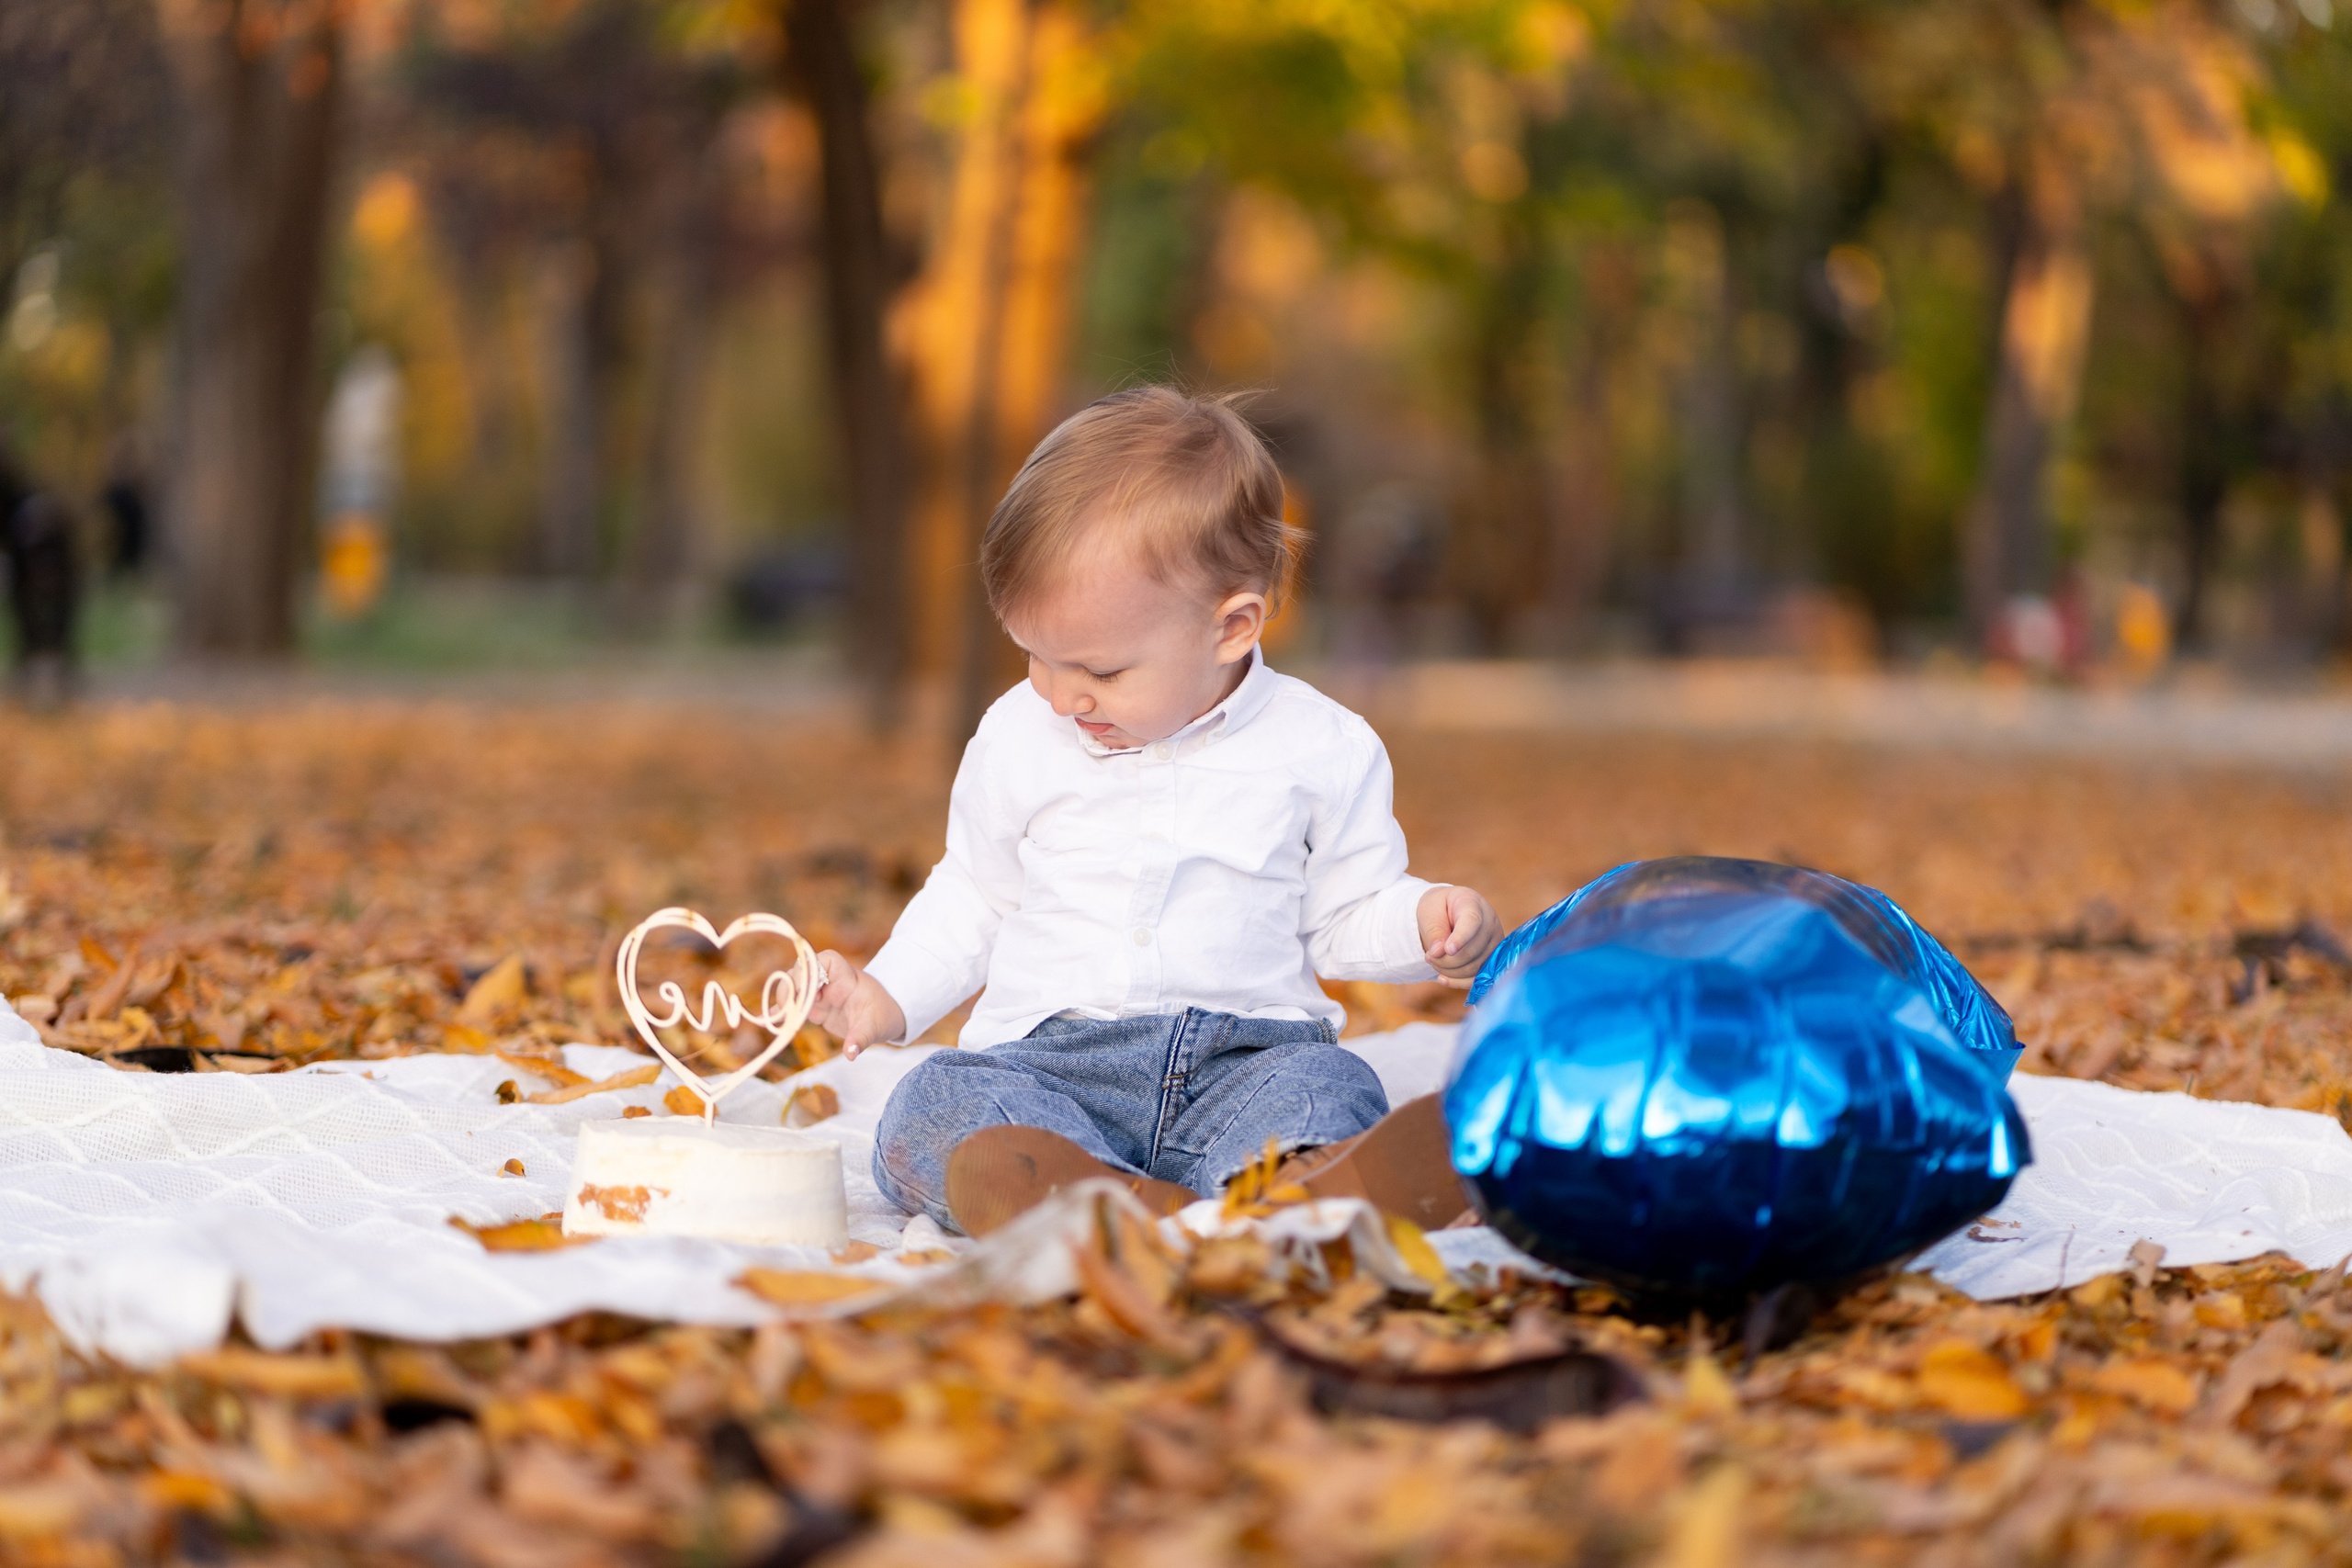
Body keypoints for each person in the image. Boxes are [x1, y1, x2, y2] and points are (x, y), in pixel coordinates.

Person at [808, 387, 1502, 1236]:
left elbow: (1346, 914)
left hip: (1245, 1064)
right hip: (1054, 1070)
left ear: (1232, 628)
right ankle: (1091, 1192)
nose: (1062, 695)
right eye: (1035, 656)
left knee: (1332, 1088)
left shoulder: (1323, 745)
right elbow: (976, 893)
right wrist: (888, 994)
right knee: (932, 1102)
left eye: (1099, 671)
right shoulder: (1017, 735)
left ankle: (1296, 1183)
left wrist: (1425, 921)